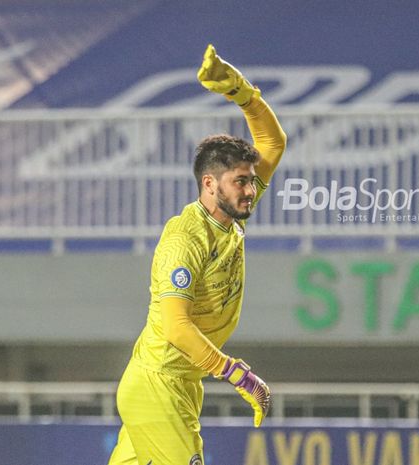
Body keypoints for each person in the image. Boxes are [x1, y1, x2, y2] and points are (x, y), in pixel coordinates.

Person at [108, 44, 287, 465]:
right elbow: (176, 327)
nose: (250, 189)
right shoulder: (184, 239)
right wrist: (238, 375)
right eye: (240, 181)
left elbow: (273, 144)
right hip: (158, 385)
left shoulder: (230, 219)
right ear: (210, 184)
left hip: (180, 386)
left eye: (250, 181)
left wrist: (242, 92)